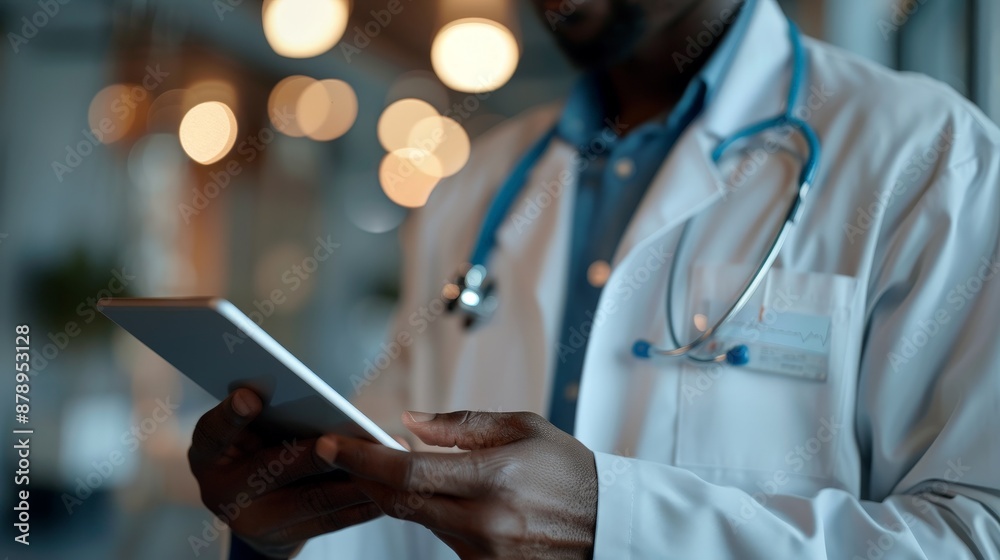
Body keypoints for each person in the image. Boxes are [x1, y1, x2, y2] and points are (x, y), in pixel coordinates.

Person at [188, 0, 1000, 557]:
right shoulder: (475, 191)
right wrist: (288, 530)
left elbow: (976, 532)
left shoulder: (928, 160)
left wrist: (620, 528)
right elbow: (407, 507)